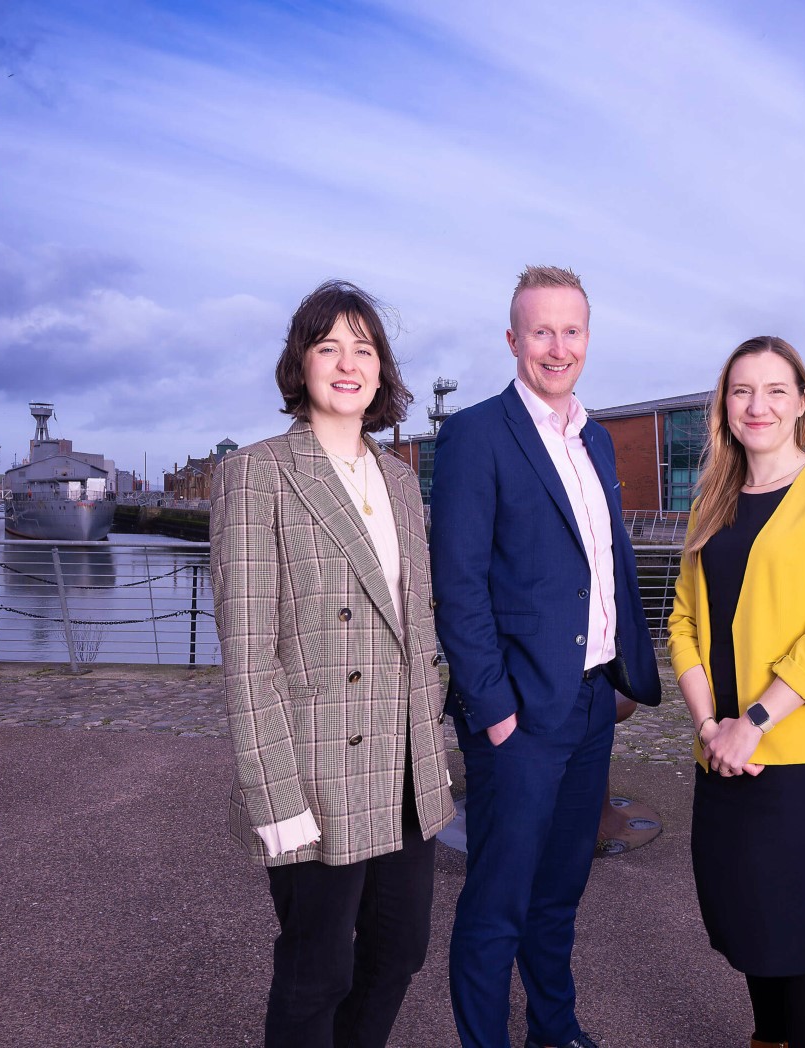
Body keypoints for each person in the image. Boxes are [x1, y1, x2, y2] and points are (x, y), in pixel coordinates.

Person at [210, 280, 454, 1048]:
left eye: (364, 348)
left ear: (382, 370)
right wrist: (274, 798)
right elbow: (248, 656)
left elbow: (417, 625)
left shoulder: (404, 482)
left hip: (407, 767)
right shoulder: (257, 474)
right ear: (301, 364)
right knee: (317, 971)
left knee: (399, 952)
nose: (348, 363)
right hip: (317, 770)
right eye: (328, 347)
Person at [429, 265, 662, 1048]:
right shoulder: (474, 435)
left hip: (593, 701)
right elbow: (457, 587)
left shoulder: (593, 436)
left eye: (571, 331)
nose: (556, 347)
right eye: (540, 332)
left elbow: (603, 562)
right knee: (499, 902)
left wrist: (627, 664)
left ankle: (554, 1032)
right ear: (512, 340)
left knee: (561, 892)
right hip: (519, 715)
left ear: (587, 340)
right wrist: (492, 712)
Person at [667, 336, 805, 1048]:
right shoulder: (711, 501)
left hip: (804, 755)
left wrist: (752, 721)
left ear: (802, 404)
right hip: (723, 752)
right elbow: (684, 622)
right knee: (749, 923)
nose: (758, 405)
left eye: (776, 390)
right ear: (723, 406)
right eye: (742, 390)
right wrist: (709, 728)